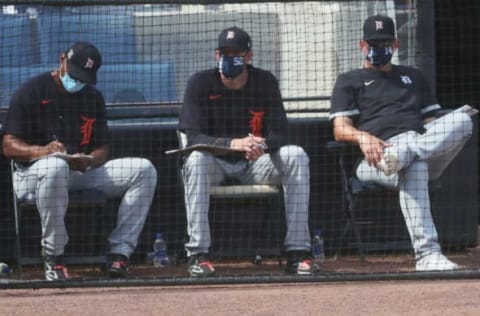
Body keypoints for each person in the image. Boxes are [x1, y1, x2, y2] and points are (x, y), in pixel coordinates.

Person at [2, 42, 157, 280]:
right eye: (75, 75)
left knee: (143, 170)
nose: (78, 82)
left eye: (84, 78)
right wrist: (42, 151)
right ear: (62, 59)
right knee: (55, 166)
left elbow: (102, 147)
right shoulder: (31, 90)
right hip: (31, 175)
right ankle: (54, 257)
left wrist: (89, 160)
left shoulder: (92, 97)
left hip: (77, 171)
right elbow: (9, 145)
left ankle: (120, 253)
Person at [329, 15, 474, 271]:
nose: (378, 48)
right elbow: (340, 129)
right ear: (362, 46)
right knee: (414, 168)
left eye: (384, 43)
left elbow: (430, 122)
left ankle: (405, 153)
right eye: (373, 44)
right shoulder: (349, 80)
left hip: (415, 146)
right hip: (376, 157)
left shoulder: (413, 76)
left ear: (395, 44)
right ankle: (428, 255)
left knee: (463, 121)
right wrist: (363, 137)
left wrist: (419, 141)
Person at [178, 26, 312, 277]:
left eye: (235, 53)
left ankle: (298, 252)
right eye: (224, 53)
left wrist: (259, 145)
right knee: (195, 159)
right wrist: (234, 144)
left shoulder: (265, 81)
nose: (229, 58)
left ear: (248, 56)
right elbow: (192, 136)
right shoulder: (200, 82)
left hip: (255, 163)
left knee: (296, 155)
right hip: (215, 163)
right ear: (216, 55)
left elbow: (281, 132)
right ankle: (198, 254)